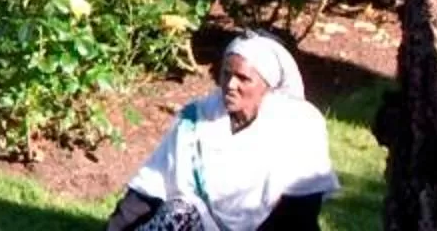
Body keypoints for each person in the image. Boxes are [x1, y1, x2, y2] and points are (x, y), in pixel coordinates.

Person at [107, 32, 336, 231]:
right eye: (226, 74)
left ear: (268, 85)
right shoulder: (195, 120)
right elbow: (150, 187)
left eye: (243, 78)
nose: (230, 85)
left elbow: (300, 211)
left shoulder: (299, 126)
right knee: (178, 212)